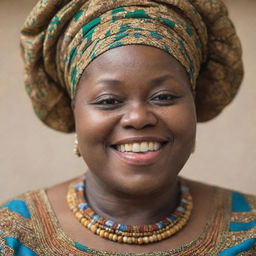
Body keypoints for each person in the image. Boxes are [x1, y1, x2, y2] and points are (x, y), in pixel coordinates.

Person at [0, 0, 255, 255]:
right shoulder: (13, 237)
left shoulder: (249, 230)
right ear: (72, 110)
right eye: (109, 100)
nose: (137, 117)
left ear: (194, 102)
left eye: (164, 96)